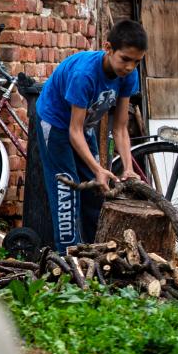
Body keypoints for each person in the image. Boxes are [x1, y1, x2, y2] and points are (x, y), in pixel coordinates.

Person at [33, 19, 145, 251]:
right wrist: (96, 167)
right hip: (56, 124)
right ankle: (68, 257)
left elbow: (121, 127)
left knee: (97, 189)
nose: (129, 67)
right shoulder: (84, 75)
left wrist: (128, 168)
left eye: (136, 62)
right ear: (108, 48)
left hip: (84, 126)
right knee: (67, 188)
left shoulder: (129, 75)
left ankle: (96, 251)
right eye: (125, 59)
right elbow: (73, 132)